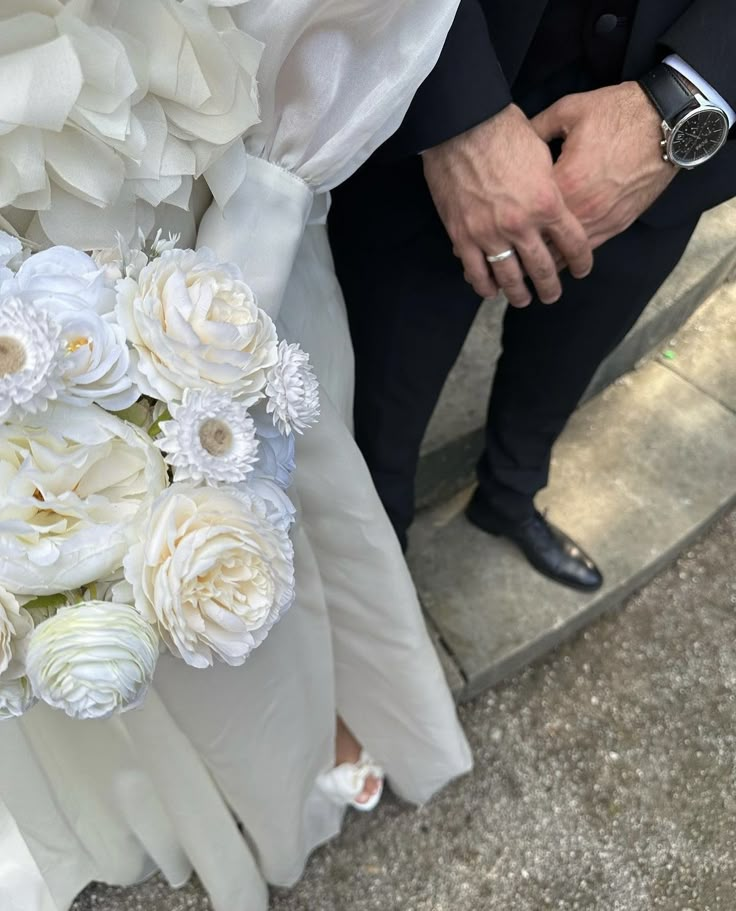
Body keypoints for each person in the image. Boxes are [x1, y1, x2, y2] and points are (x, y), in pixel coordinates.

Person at [0, 3, 473, 910]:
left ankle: (287, 760)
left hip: (180, 203)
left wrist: (240, 259)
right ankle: (154, 797)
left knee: (244, 512)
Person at [329, 0, 736, 593]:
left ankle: (509, 497)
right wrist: (458, 116)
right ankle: (376, 576)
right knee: (376, 403)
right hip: (439, 99)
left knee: (565, 364)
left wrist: (682, 99)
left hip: (663, 146)